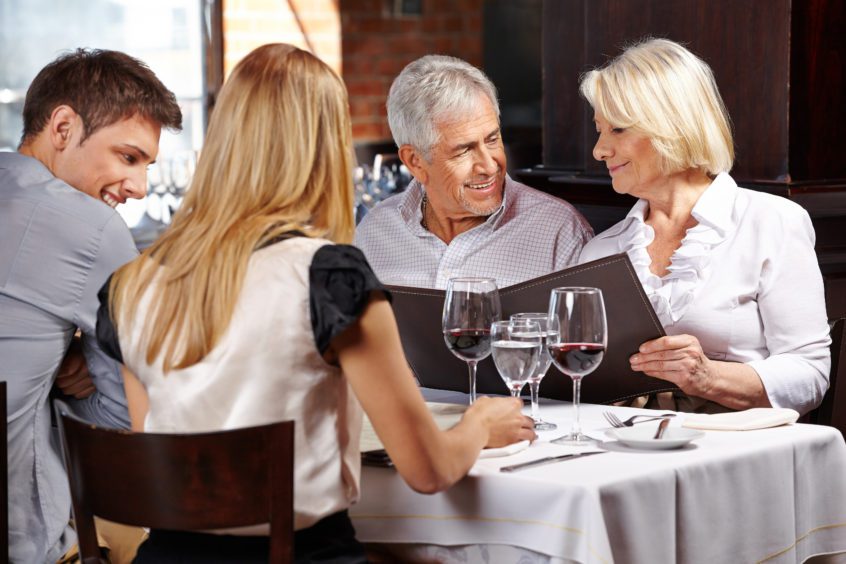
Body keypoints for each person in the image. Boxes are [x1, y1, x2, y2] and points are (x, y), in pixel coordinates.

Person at [97, 43, 535, 563]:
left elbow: (162, 459)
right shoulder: (330, 278)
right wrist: (479, 425)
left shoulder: (129, 286)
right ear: (327, 142)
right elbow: (428, 470)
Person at [578, 38, 831, 415]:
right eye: (599, 131)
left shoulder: (771, 222)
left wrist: (709, 377)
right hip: (624, 447)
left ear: (673, 126)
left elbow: (810, 374)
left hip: (737, 450)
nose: (599, 150)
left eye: (617, 130)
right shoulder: (601, 250)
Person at [0, 48, 182, 563]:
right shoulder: (92, 229)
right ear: (62, 128)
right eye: (128, 158)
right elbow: (127, 420)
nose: (140, 188)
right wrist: (62, 371)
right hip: (24, 541)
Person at [355, 55, 592, 290]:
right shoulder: (374, 232)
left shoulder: (559, 233)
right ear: (415, 162)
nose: (489, 166)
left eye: (492, 140)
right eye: (464, 151)